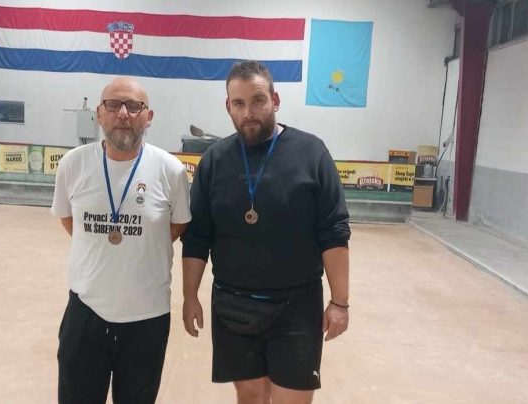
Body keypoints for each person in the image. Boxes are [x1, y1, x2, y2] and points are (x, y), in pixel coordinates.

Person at [181, 60, 351, 404]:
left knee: (292, 399)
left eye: (258, 100)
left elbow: (333, 233)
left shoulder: (311, 153)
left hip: (297, 305)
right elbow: (197, 237)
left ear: (275, 100)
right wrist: (189, 295)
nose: (249, 112)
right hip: (232, 303)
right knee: (251, 395)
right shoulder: (214, 160)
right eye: (239, 103)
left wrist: (340, 302)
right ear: (228, 106)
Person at [51, 77, 191, 404]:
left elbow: (177, 226)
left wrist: (139, 244)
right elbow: (70, 221)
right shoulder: (73, 164)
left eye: (133, 106)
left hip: (147, 318)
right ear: (99, 113)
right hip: (86, 311)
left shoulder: (170, 170)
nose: (123, 114)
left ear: (148, 116)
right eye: (113, 105)